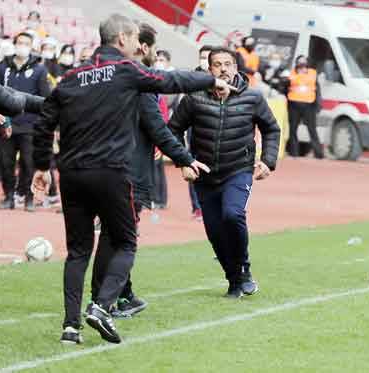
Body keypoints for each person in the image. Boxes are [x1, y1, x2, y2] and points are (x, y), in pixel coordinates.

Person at [31, 13, 229, 345]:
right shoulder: (125, 71)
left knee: (78, 251)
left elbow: (45, 123)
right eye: (136, 37)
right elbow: (169, 81)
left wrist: (40, 167)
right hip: (110, 172)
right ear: (122, 38)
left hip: (72, 176)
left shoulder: (70, 77)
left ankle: (70, 327)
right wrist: (210, 80)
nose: (139, 44)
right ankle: (102, 307)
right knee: (125, 241)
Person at [90, 23, 203, 320]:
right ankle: (106, 302)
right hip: (128, 170)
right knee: (121, 239)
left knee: (111, 237)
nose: (153, 52)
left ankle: (119, 295)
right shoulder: (138, 80)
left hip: (100, 165)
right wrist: (184, 159)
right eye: (151, 46)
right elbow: (156, 127)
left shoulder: (101, 74)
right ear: (141, 46)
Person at [169, 47, 281, 299]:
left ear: (235, 67)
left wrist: (267, 161)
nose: (223, 69)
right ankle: (233, 279)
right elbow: (172, 130)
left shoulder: (252, 98)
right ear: (209, 70)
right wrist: (184, 161)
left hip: (238, 170)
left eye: (228, 64)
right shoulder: (194, 99)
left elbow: (271, 129)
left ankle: (243, 268)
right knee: (215, 231)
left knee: (232, 214)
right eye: (217, 64)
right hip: (205, 174)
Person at [0, 32, 51, 212]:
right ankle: (9, 197)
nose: (22, 46)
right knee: (6, 163)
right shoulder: (2, 66)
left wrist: (50, 118)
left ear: (32, 46)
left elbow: (44, 98)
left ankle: (28, 198)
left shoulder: (39, 69)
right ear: (14, 44)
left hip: (29, 125)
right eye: (19, 42)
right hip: (5, 122)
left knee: (28, 163)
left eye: (26, 43)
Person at [187, 45, 214, 220]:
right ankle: (197, 207)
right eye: (201, 57)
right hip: (194, 127)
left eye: (207, 57)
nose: (203, 60)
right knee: (193, 165)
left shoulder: (219, 78)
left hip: (213, 127)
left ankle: (210, 203)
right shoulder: (191, 78)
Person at [286, 54, 323, 159]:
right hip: (294, 104)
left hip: (309, 105)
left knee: (312, 129)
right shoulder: (291, 73)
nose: (302, 65)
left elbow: (318, 90)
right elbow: (285, 87)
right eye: (300, 63)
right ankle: (294, 153)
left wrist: (318, 104)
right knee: (293, 130)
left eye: (304, 63)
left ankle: (318, 154)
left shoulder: (313, 73)